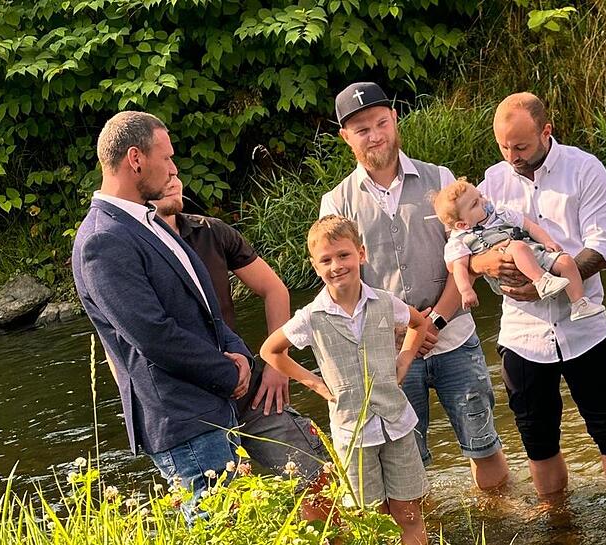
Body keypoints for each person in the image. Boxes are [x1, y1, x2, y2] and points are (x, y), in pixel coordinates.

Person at [319, 82, 510, 490]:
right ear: (346, 137)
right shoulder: (336, 202)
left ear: (394, 119)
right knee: (407, 461)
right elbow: (342, 284)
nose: (375, 136)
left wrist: (433, 322)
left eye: (381, 123)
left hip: (454, 338)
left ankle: (500, 518)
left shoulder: (439, 179)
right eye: (362, 130)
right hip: (389, 355)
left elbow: (465, 258)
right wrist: (399, 329)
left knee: (483, 444)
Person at [71, 111, 252, 517]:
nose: (173, 168)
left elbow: (204, 308)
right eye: (166, 157)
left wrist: (241, 353)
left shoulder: (147, 222)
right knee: (222, 533)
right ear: (135, 159)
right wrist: (229, 375)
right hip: (183, 423)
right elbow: (154, 335)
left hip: (208, 412)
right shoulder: (103, 240)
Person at [469, 92, 606, 496]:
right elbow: (464, 248)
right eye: (503, 147)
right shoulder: (491, 183)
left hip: (585, 328)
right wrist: (484, 264)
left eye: (521, 146)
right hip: (522, 335)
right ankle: (555, 517)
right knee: (537, 439)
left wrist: (549, 283)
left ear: (546, 131)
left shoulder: (584, 169)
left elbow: (603, 248)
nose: (511, 156)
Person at [261, 215, 429, 545]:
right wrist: (314, 383)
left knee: (408, 511)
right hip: (353, 433)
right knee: (371, 517)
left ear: (361, 254)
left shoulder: (385, 302)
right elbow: (270, 351)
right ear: (315, 266)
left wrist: (405, 358)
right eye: (326, 260)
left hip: (396, 422)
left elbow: (418, 324)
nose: (336, 266)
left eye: (343, 255)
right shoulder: (311, 316)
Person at [150, 176, 325, 483]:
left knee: (317, 475)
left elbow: (274, 289)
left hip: (249, 390)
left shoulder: (211, 232)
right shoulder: (134, 248)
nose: (173, 180)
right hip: (191, 411)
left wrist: (277, 364)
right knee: (222, 504)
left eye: (174, 173)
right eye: (163, 175)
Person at [432, 177, 606, 320]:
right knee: (517, 247)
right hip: (507, 271)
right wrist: (466, 290)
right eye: (475, 204)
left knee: (566, 260)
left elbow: (529, 226)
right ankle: (541, 281)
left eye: (481, 196)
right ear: (462, 224)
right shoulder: (459, 240)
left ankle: (579, 303)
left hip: (534, 253)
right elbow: (458, 267)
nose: (484, 201)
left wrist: (547, 242)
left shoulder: (502, 214)